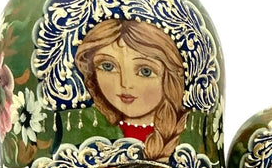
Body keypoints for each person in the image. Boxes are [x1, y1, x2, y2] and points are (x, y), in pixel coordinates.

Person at [75, 19, 188, 160]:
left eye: (145, 71)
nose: (125, 84)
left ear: (170, 77)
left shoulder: (190, 129)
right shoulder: (83, 126)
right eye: (108, 66)